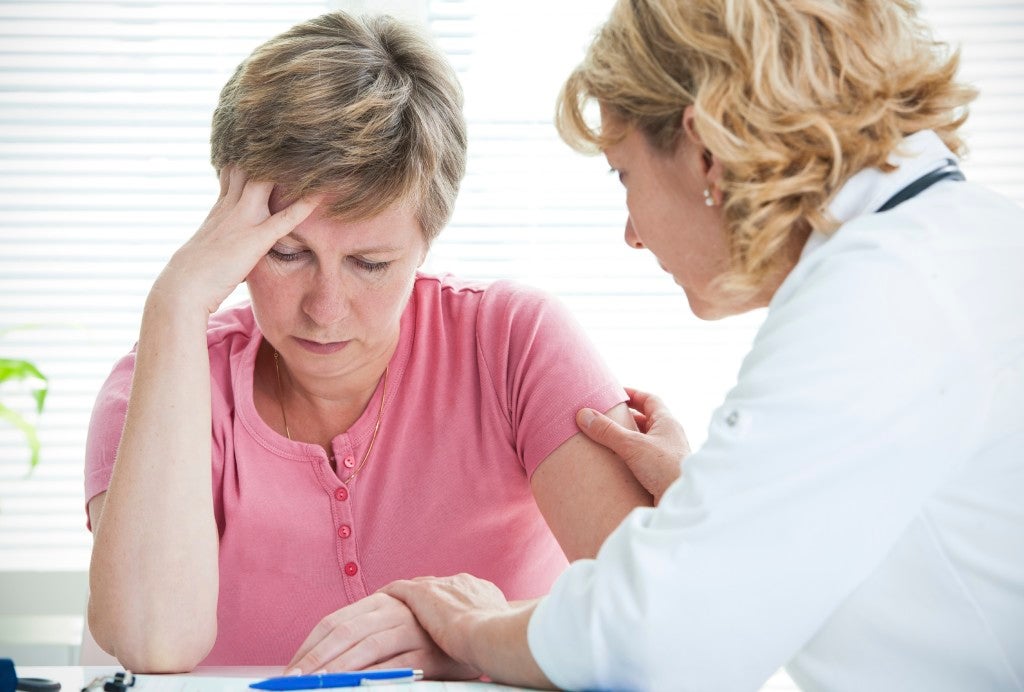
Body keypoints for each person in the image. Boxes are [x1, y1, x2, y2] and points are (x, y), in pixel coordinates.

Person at [342, 0, 1024, 689]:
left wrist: (473, 629)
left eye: (623, 174)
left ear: (706, 151)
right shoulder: (955, 251)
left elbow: (657, 641)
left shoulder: (881, 295)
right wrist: (713, 502)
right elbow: (827, 554)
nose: (631, 234)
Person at [82, 10, 653, 674]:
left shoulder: (515, 345)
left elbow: (653, 619)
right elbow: (153, 641)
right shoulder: (161, 382)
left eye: (371, 265)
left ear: (425, 244)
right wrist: (175, 302)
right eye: (288, 254)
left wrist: (474, 635)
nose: (325, 311)